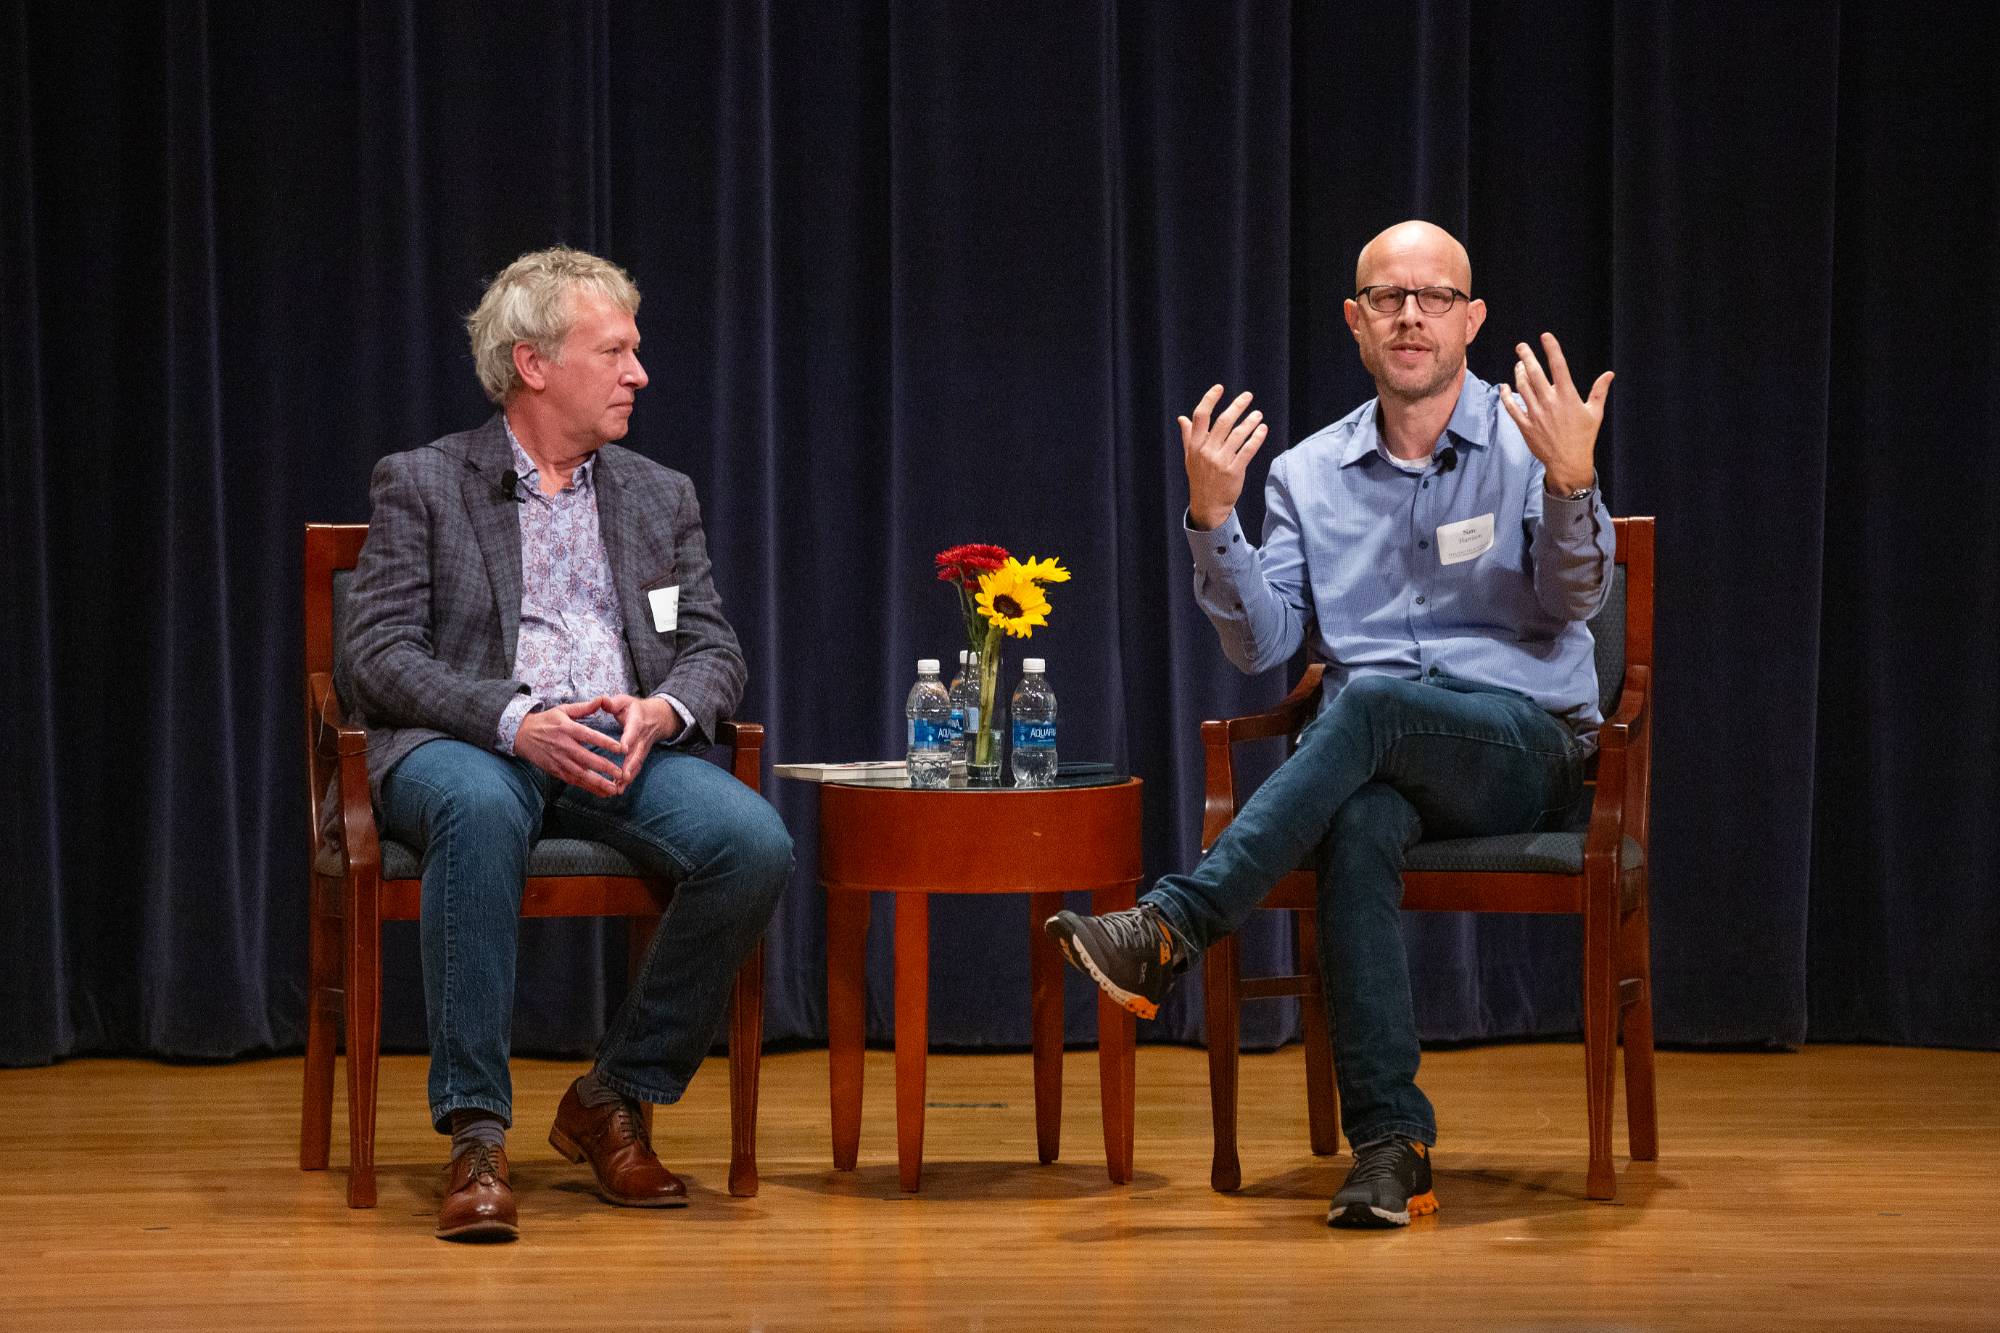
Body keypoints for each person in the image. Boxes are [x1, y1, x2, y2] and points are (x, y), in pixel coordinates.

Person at [1046, 220, 1615, 1228]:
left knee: (1365, 702)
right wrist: (1214, 522)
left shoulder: (1531, 446)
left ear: (1468, 319)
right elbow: (1260, 647)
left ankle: (1175, 923)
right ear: (1354, 322)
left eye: (1432, 297)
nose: (1409, 315)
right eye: (1386, 298)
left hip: (1519, 744)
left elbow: (1574, 600)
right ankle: (1392, 1148)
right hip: (1374, 761)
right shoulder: (1307, 474)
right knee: (1354, 818)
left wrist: (1571, 482)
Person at [342, 247, 793, 1242]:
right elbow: (372, 654)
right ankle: (476, 1133)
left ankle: (613, 1096)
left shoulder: (654, 496)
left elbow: (708, 643)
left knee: (751, 841)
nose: (640, 373)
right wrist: (513, 722)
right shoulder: (423, 483)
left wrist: (663, 710)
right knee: (476, 802)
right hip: (469, 743)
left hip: (614, 746)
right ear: (534, 364)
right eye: (617, 351)